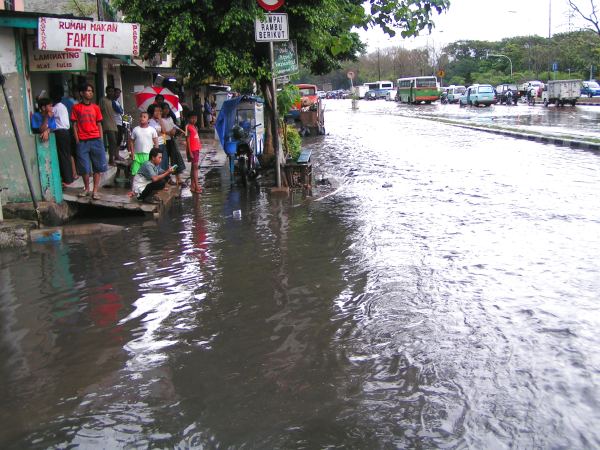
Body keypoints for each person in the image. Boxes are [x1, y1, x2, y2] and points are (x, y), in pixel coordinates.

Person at [71, 83, 107, 200]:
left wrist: (101, 139)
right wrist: (77, 140)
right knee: (84, 168)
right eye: (88, 90)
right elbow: (74, 125)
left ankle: (95, 190)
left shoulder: (96, 107)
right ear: (82, 93)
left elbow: (99, 124)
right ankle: (87, 188)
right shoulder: (76, 108)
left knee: (98, 167)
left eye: (91, 91)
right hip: (82, 141)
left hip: (96, 140)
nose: (90, 93)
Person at [50, 86, 75, 186]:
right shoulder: (63, 106)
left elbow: (48, 117)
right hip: (66, 132)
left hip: (60, 133)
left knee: (62, 156)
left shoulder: (55, 108)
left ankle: (67, 179)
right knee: (66, 154)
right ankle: (69, 177)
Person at [161, 102, 185, 185]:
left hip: (171, 140)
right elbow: (160, 130)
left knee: (175, 158)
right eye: (164, 109)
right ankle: (167, 178)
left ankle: (178, 178)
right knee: (164, 160)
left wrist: (179, 130)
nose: (166, 110)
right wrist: (168, 132)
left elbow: (174, 126)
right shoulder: (159, 120)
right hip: (163, 140)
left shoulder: (170, 118)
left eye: (167, 108)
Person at [128, 111, 158, 176]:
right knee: (135, 172)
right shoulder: (135, 129)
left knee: (148, 173)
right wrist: (132, 153)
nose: (142, 118)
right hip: (137, 155)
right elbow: (131, 142)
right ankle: (134, 185)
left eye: (144, 117)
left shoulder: (152, 130)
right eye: (141, 116)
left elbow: (156, 143)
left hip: (148, 155)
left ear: (148, 120)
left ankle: (147, 186)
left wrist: (156, 155)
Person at [100, 86, 119, 165]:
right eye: (109, 91)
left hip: (114, 123)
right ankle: (111, 160)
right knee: (112, 141)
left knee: (115, 142)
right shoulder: (103, 100)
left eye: (112, 91)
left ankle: (114, 157)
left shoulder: (113, 101)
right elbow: (99, 110)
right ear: (106, 92)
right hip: (106, 123)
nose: (111, 93)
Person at [186, 111, 202, 194]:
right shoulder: (188, 127)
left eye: (195, 118)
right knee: (195, 168)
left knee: (193, 168)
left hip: (196, 149)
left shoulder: (194, 127)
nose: (194, 120)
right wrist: (190, 152)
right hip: (192, 150)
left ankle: (192, 186)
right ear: (188, 118)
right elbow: (187, 140)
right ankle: (196, 186)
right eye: (192, 118)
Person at [112, 87, 125, 152]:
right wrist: (120, 110)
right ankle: (115, 154)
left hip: (120, 121)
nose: (118, 95)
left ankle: (117, 154)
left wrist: (120, 110)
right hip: (115, 122)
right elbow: (118, 110)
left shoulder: (117, 101)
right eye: (117, 93)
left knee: (120, 138)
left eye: (119, 93)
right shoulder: (112, 101)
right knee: (117, 139)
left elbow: (121, 110)